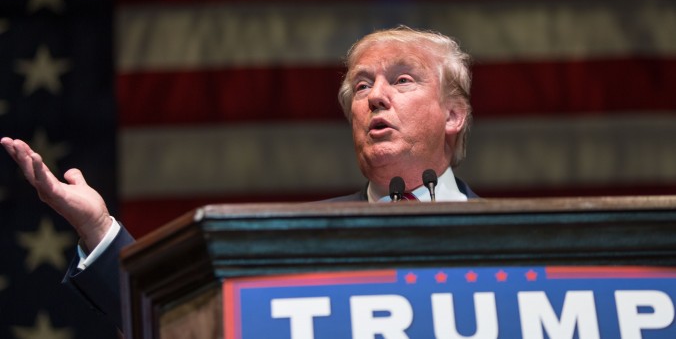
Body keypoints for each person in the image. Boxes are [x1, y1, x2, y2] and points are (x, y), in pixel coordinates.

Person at [0, 25, 478, 331]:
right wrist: (98, 230)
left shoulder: (528, 245)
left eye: (402, 80)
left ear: (453, 114)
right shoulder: (294, 241)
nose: (375, 97)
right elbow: (180, 320)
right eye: (361, 85)